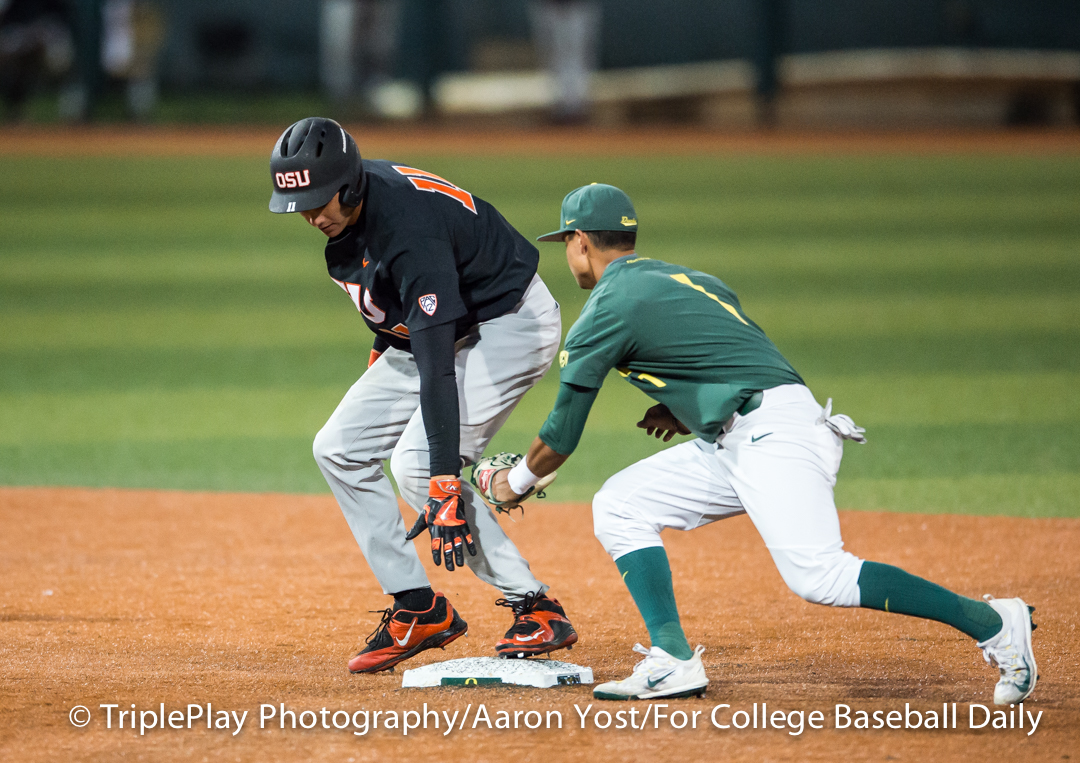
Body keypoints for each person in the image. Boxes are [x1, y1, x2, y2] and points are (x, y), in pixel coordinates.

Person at [485, 183, 1037, 702]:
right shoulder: (688, 279)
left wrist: (514, 483)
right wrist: (688, 404)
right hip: (751, 429)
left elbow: (561, 434)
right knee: (620, 505)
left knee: (821, 575)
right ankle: (672, 659)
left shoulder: (605, 308)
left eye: (567, 243)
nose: (568, 254)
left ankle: (993, 624)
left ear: (580, 242)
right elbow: (735, 352)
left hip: (773, 438)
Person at [268, 117, 577, 673]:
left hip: (509, 323)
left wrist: (442, 481)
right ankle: (418, 607)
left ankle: (536, 607)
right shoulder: (351, 223)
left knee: (416, 465)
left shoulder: (406, 233)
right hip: (443, 326)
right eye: (302, 205)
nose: (313, 215)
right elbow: (394, 320)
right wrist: (376, 385)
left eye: (320, 199)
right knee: (337, 447)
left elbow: (437, 367)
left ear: (351, 183)